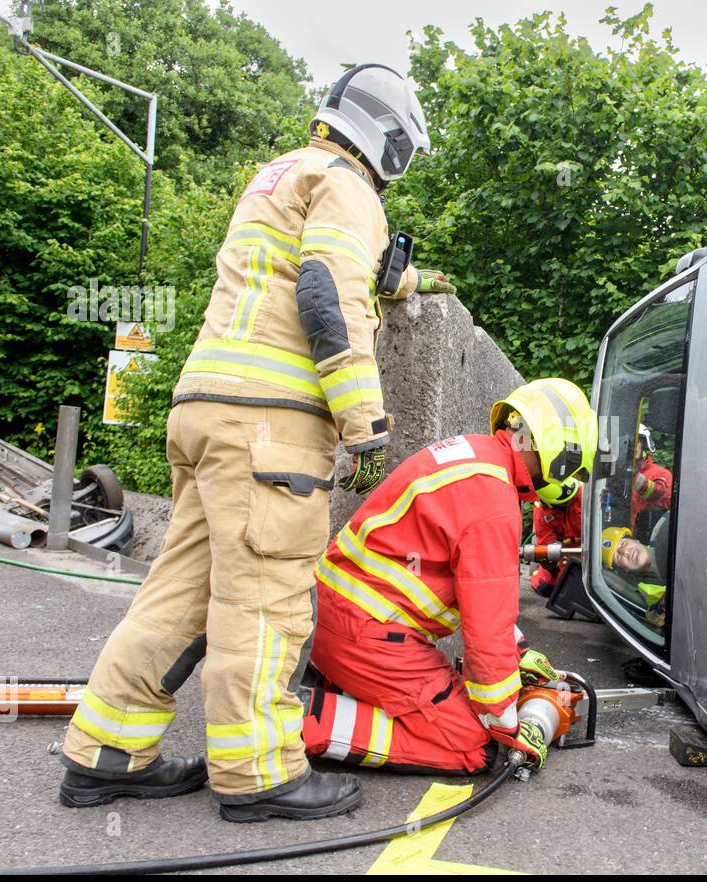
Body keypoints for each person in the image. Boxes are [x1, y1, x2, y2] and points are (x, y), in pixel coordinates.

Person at [59, 65, 453, 824]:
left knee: (181, 595)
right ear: (389, 135)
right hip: (270, 426)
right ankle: (259, 774)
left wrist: (401, 281)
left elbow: (300, 270)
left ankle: (105, 755)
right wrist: (362, 417)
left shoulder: (281, 174)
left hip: (206, 407)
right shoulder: (350, 185)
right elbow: (324, 288)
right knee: (266, 603)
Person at [302, 379, 597, 774]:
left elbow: (478, 597)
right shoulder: (493, 502)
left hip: (337, 618)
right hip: (367, 634)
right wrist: (509, 728)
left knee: (444, 711)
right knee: (472, 746)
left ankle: (323, 702)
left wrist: (520, 652)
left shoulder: (478, 457)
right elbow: (487, 637)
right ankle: (297, 725)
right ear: (561, 454)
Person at [529, 483, 583, 598]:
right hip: (564, 552)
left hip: (591, 549)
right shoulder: (542, 510)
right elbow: (547, 544)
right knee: (544, 587)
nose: (568, 505)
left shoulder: (585, 497)